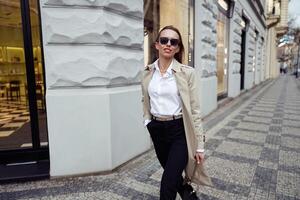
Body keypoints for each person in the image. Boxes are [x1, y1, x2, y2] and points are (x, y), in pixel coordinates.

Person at [141, 25, 211, 200]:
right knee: (174, 178)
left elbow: (195, 110)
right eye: (164, 40)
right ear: (156, 44)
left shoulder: (187, 73)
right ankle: (190, 196)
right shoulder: (148, 72)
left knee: (167, 185)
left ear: (178, 47)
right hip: (157, 130)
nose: (168, 44)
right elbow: (145, 99)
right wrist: (148, 121)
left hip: (179, 131)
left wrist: (200, 146)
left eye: (174, 42)